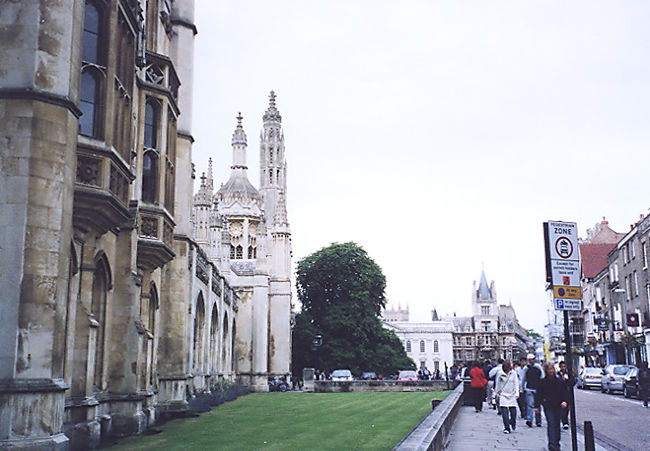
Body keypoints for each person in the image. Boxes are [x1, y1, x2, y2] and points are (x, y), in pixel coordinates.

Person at [535, 363, 569, 451]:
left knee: (557, 424)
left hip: (558, 405)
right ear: (546, 371)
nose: (551, 371)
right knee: (551, 424)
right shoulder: (542, 382)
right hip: (548, 406)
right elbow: (538, 394)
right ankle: (552, 444)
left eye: (552, 369)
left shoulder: (559, 381)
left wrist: (565, 401)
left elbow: (565, 392)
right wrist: (537, 406)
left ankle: (557, 442)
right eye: (549, 369)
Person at [494, 360, 520, 434]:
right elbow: (498, 384)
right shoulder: (500, 373)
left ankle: (513, 422)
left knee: (513, 412)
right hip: (503, 394)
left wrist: (517, 393)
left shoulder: (513, 373)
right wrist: (496, 394)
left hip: (511, 394)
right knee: (504, 412)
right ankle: (507, 428)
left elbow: (516, 383)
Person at [522, 353, 544, 427]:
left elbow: (542, 376)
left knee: (538, 405)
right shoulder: (526, 368)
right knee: (530, 405)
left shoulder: (538, 367)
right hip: (529, 388)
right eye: (531, 359)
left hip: (538, 389)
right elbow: (523, 379)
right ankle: (529, 419)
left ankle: (538, 421)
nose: (532, 361)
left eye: (533, 359)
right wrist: (522, 388)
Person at [557, 361, 575, 429]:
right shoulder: (557, 374)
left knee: (566, 408)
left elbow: (572, 382)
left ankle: (565, 422)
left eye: (564, 366)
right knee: (561, 408)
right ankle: (563, 421)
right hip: (559, 394)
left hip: (567, 393)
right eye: (562, 367)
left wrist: (566, 380)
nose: (563, 368)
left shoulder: (569, 374)